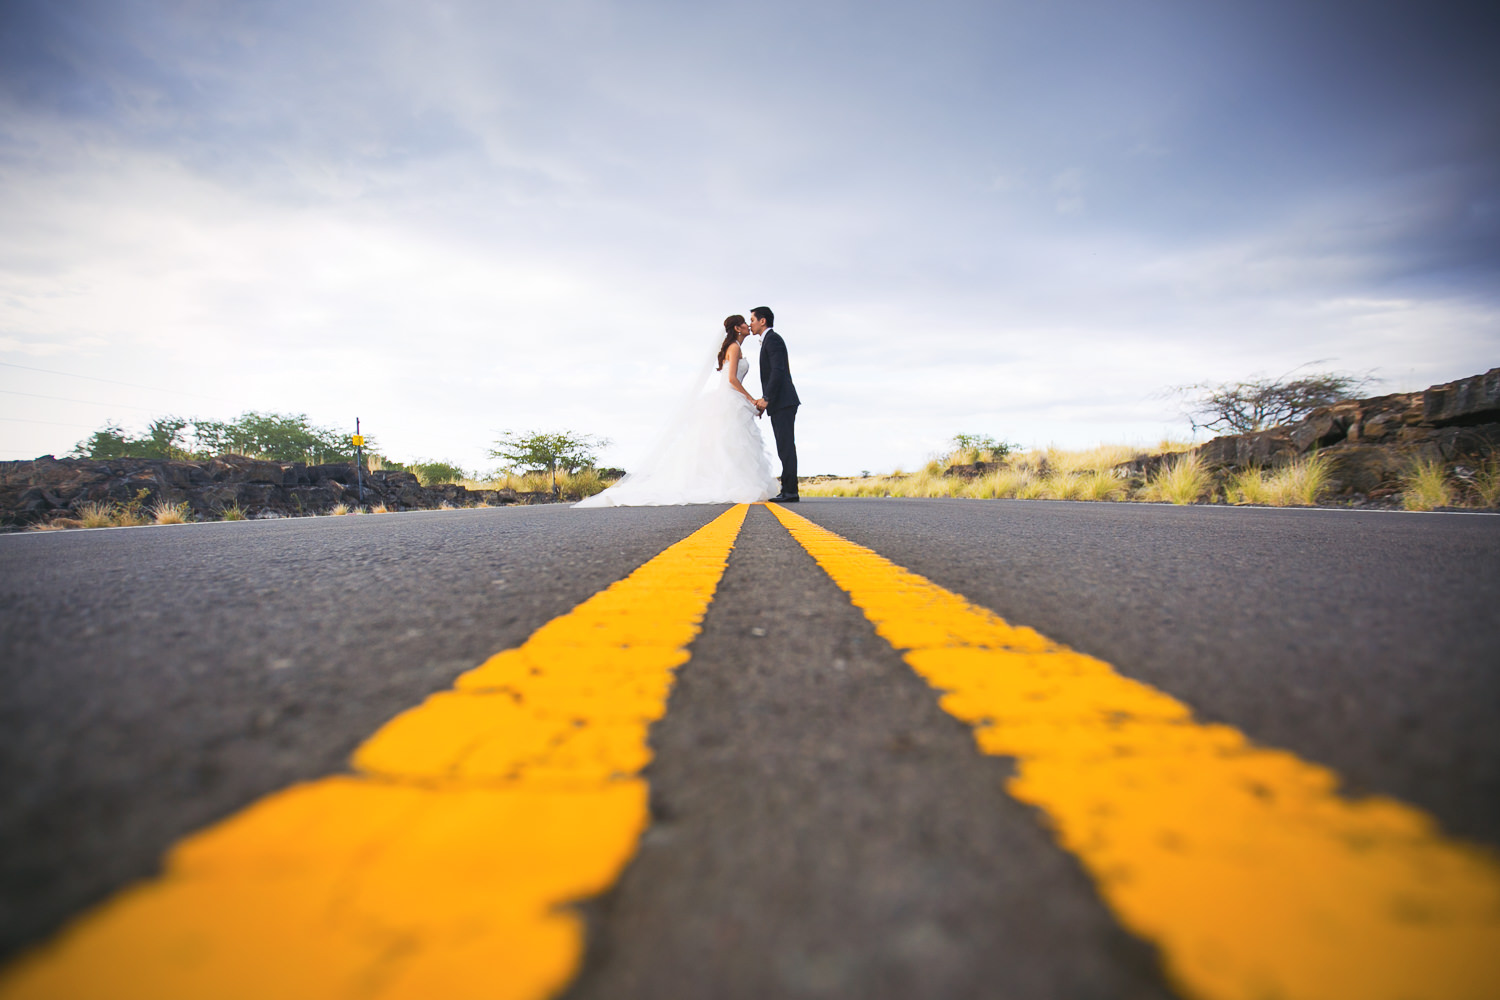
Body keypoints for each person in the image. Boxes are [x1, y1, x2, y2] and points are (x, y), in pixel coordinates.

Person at [574, 315, 776, 507]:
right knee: (730, 443)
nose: (748, 326)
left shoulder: (735, 347)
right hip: (730, 398)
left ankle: (732, 480)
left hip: (730, 398)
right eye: (744, 323)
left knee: (729, 444)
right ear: (736, 328)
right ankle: (731, 482)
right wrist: (751, 400)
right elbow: (731, 379)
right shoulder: (734, 347)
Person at [749, 306, 801, 502]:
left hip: (783, 401)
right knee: (784, 446)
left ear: (763, 321)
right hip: (780, 402)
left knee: (786, 446)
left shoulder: (773, 340)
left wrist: (767, 398)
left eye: (752, 320)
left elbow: (778, 371)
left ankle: (790, 491)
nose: (750, 324)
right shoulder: (769, 341)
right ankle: (788, 489)